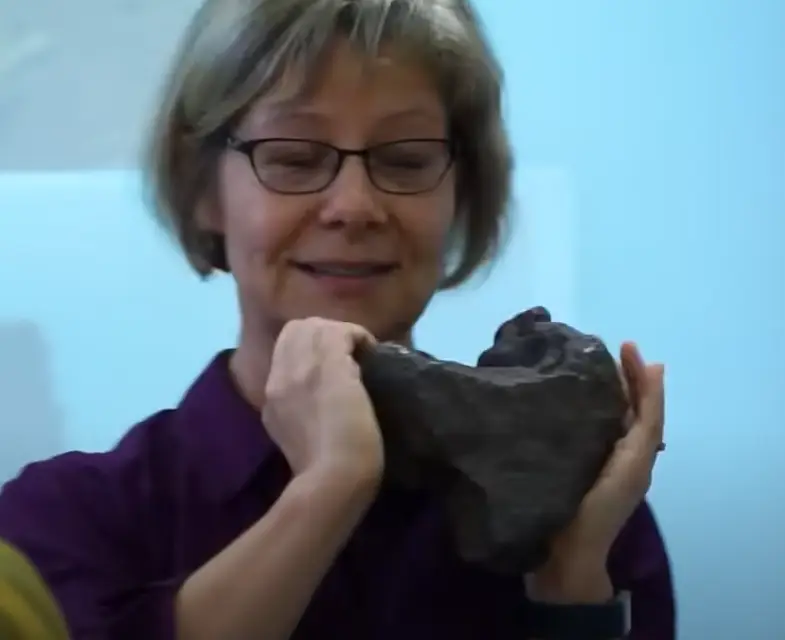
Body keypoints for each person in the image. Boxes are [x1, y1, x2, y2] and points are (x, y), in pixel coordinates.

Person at [0, 0, 675, 638]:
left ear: (460, 195)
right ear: (203, 188)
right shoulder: (67, 521)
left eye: (406, 161)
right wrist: (329, 490)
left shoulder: (585, 515)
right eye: (293, 158)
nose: (353, 206)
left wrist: (569, 586)